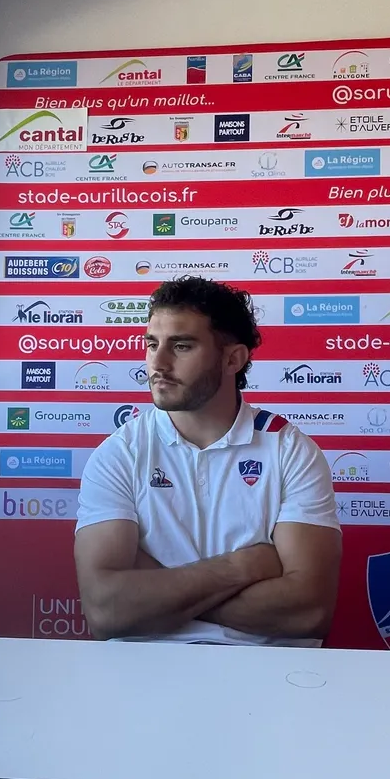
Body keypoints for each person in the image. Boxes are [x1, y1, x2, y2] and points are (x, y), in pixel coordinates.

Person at [74, 276, 341, 645]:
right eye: (152, 344)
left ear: (233, 358)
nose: (159, 363)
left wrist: (162, 589)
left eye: (181, 346)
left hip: (267, 676)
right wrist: (242, 567)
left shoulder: (290, 451)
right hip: (145, 674)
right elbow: (106, 611)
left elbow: (309, 613)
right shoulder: (119, 454)